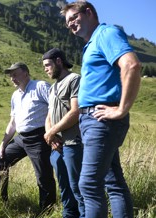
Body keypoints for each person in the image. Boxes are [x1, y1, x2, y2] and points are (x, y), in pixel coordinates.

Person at [61, 2, 142, 217]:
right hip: (93, 121)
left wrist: (121, 109)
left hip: (102, 121)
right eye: (67, 22)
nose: (70, 25)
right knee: (112, 180)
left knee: (88, 185)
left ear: (88, 12)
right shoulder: (92, 42)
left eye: (73, 18)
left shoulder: (106, 33)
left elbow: (131, 65)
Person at [0, 62, 56, 211]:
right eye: (10, 75)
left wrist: (53, 132)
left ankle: (47, 210)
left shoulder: (40, 86)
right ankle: (1, 202)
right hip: (22, 138)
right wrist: (3, 144)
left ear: (26, 73)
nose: (12, 78)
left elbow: (55, 107)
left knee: (43, 176)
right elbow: (13, 122)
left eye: (15, 74)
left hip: (40, 137)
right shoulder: (15, 96)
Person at [42, 48, 84, 218]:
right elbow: (49, 115)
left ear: (59, 61)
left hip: (74, 143)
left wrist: (53, 131)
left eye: (48, 65)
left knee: (78, 188)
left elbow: (75, 112)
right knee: (65, 190)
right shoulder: (52, 88)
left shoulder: (75, 80)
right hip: (57, 147)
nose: (46, 69)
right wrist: (50, 136)